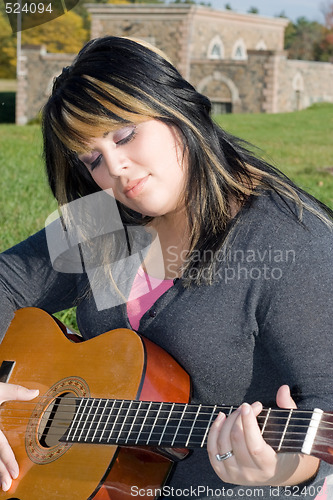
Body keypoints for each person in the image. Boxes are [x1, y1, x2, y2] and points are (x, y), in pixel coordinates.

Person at [0, 36, 332, 499]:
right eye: (93, 159)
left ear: (173, 107)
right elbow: (6, 279)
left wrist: (283, 469)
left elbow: (325, 402)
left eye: (124, 135)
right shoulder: (105, 219)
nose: (115, 169)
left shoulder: (292, 241)